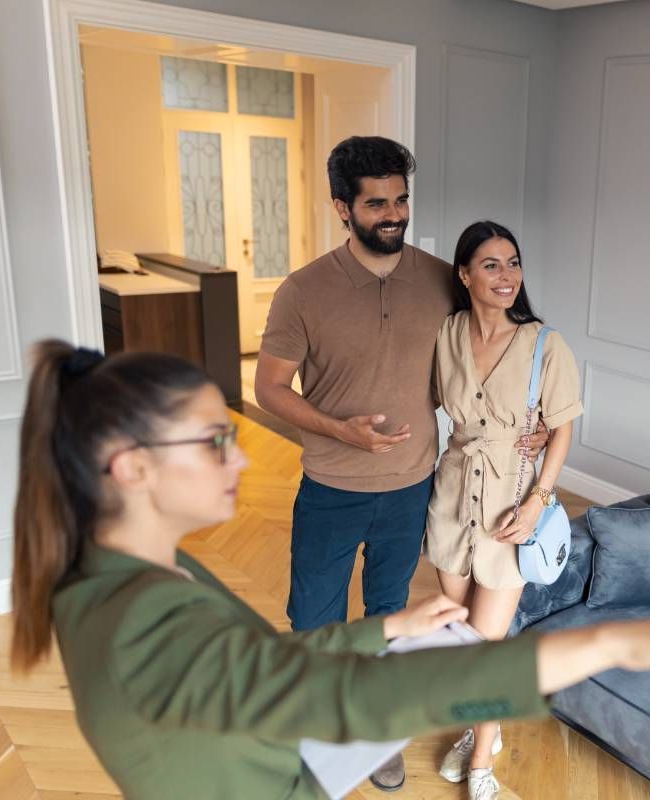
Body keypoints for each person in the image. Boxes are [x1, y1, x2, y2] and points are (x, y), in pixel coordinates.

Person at [10, 340, 650, 800]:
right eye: (213, 439)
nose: (242, 454)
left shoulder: (128, 568)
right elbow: (359, 698)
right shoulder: (138, 621)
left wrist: (386, 625)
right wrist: (616, 645)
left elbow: (264, 665)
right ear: (130, 468)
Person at [254, 137, 545, 789]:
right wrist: (338, 430)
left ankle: (373, 732)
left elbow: (495, 354)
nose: (393, 213)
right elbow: (267, 389)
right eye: (376, 202)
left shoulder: (444, 278)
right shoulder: (303, 291)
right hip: (331, 486)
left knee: (390, 615)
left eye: (401, 199)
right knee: (314, 620)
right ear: (341, 207)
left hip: (413, 485)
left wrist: (526, 429)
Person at [424, 221, 580, 799]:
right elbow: (446, 409)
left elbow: (562, 431)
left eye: (513, 263)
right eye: (491, 264)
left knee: (486, 645)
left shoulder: (545, 343)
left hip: (510, 511)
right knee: (460, 635)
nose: (507, 276)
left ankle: (483, 759)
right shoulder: (447, 333)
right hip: (451, 499)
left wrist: (540, 498)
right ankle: (476, 727)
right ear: (464, 274)